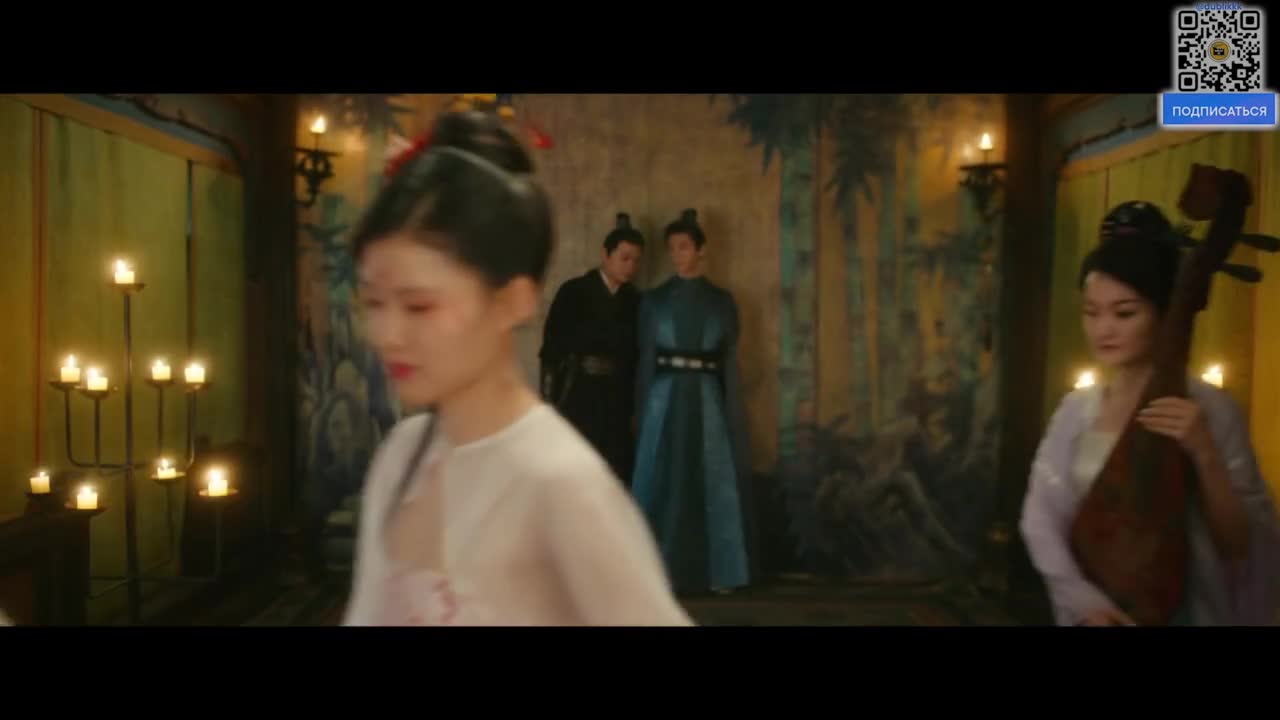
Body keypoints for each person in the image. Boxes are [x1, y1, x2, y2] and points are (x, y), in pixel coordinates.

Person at [340, 109, 692, 626]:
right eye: (374, 302)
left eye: (418, 305)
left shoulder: (562, 485)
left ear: (512, 300)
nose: (387, 334)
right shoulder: (398, 457)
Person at [1020, 201, 1280, 626]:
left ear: (1164, 312)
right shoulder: (1075, 411)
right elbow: (1040, 519)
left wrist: (1204, 452)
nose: (1103, 329)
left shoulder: (1210, 408)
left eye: (1125, 313)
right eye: (1091, 312)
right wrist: (1084, 601)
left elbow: (1240, 545)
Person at [631, 208, 755, 595]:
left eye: (684, 247)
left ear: (701, 250)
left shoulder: (721, 302)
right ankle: (652, 572)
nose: (676, 255)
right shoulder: (654, 301)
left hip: (706, 396)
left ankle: (720, 571)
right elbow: (646, 358)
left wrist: (732, 410)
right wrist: (641, 409)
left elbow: (729, 360)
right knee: (661, 474)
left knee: (711, 477)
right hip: (664, 396)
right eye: (672, 248)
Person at [539, 213, 644, 483]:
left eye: (636, 260)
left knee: (616, 470)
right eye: (624, 258)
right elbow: (551, 350)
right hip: (579, 392)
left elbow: (637, 356)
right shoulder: (573, 292)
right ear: (605, 255)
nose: (630, 267)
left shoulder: (634, 301)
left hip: (618, 396)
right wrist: (549, 403)